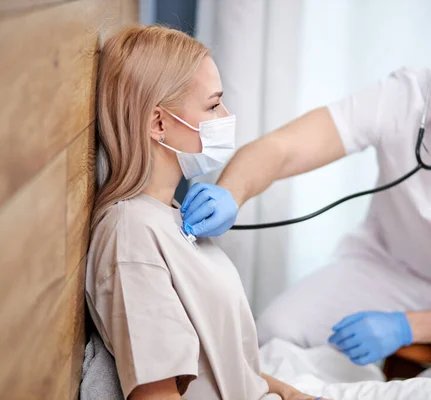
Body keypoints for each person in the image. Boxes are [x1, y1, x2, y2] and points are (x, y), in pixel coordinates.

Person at [180, 12, 431, 380]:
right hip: (386, 269)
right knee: (275, 331)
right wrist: (230, 192)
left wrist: (405, 326)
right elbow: (284, 148)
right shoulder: (406, 95)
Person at [86, 25, 318, 400]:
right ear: (158, 123)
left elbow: (230, 369)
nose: (227, 116)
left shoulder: (170, 215)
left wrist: (292, 394)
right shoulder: (131, 235)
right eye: (213, 105)